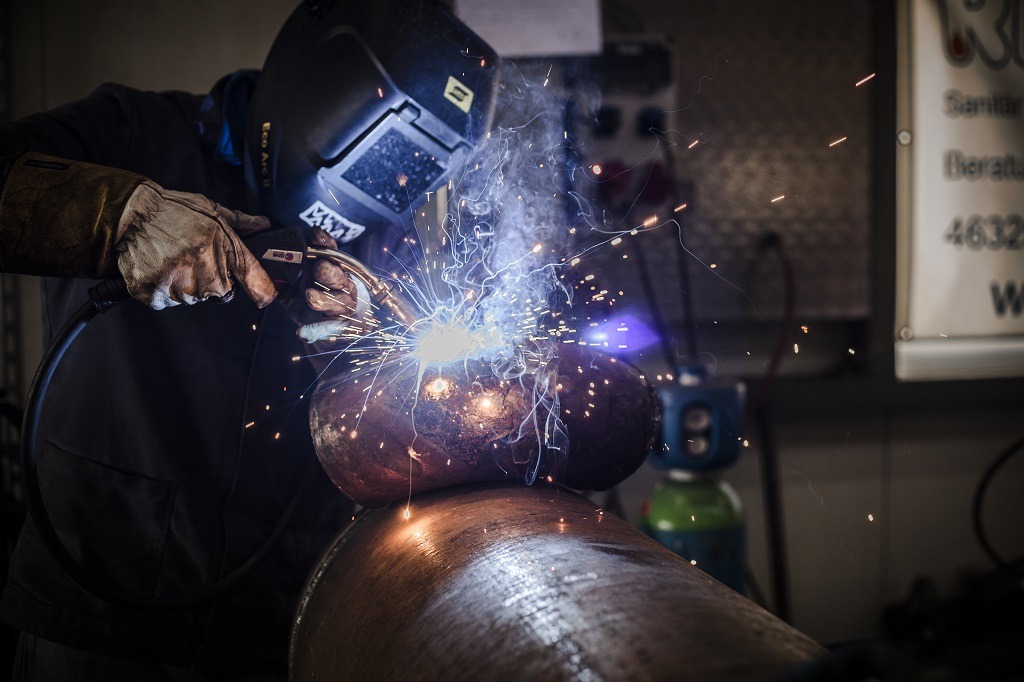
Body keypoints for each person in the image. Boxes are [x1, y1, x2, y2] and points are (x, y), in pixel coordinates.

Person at [0, 0, 498, 677]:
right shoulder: (135, 135)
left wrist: (367, 356)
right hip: (100, 623)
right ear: (332, 93)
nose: (388, 189)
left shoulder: (387, 241)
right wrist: (117, 216)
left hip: (285, 626)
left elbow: (407, 429)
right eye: (385, 159)